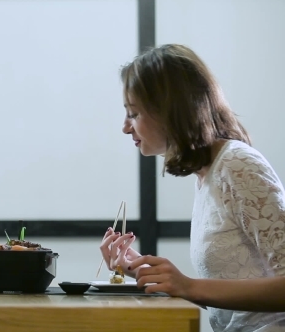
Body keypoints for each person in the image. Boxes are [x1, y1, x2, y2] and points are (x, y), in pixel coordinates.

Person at [99, 44, 285, 331]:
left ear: (170, 111)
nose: (125, 127)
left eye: (133, 114)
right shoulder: (208, 174)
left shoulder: (238, 163)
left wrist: (188, 286)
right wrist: (143, 270)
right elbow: (227, 301)